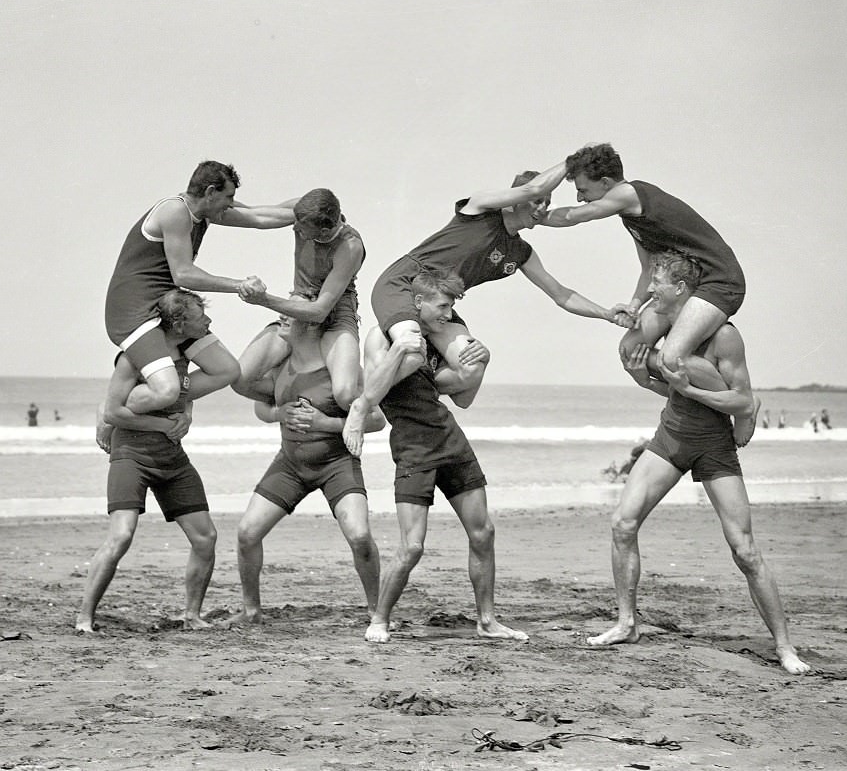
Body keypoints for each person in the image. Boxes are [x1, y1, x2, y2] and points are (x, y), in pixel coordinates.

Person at [587, 251, 809, 675]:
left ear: (682, 289)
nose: (649, 290)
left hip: (714, 445)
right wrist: (643, 378)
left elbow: (741, 399)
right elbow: (670, 389)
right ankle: (626, 622)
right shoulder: (664, 329)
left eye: (657, 283)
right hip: (670, 437)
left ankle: (784, 647)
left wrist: (693, 391)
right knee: (623, 523)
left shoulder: (724, 336)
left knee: (744, 550)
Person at [342, 164, 631, 454]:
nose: (542, 207)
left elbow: (561, 295)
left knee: (470, 368)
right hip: (405, 285)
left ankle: (384, 378)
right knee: (412, 350)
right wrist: (574, 160)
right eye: (537, 201)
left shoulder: (520, 253)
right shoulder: (478, 209)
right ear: (516, 198)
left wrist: (606, 313)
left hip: (441, 305)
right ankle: (362, 407)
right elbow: (534, 187)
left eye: (547, 202)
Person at [544, 143, 758, 446]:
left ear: (606, 183)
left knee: (671, 356)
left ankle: (743, 404)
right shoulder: (631, 217)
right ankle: (702, 400)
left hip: (720, 281)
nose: (580, 197)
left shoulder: (628, 193)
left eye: (583, 189)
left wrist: (532, 216)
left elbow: (575, 216)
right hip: (688, 282)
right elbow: (648, 270)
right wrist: (634, 306)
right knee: (630, 349)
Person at [356, 269, 527, 644]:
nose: (448, 315)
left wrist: (480, 363)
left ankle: (487, 621)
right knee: (413, 546)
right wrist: (406, 354)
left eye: (451, 307)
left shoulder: (433, 342)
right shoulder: (381, 337)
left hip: (451, 441)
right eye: (443, 306)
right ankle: (380, 620)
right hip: (413, 449)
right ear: (418, 302)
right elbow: (372, 388)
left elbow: (461, 395)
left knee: (483, 532)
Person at [77, 289, 239, 633]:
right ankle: (84, 618)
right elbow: (114, 411)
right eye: (200, 317)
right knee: (121, 536)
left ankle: (192, 615)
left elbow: (186, 390)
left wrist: (188, 413)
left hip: (171, 457)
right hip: (132, 454)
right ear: (179, 323)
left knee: (205, 537)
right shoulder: (134, 357)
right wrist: (164, 424)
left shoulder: (183, 354)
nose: (208, 322)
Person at [229, 295, 386, 626]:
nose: (281, 317)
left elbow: (376, 420)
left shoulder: (341, 370)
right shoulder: (280, 366)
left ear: (313, 322)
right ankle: (252, 611)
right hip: (290, 465)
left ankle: (377, 611)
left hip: (336, 465)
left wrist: (325, 424)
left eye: (289, 313)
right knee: (246, 533)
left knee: (359, 537)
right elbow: (253, 395)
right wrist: (278, 412)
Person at [104, 160, 297, 418]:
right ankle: (116, 405)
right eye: (228, 197)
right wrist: (238, 285)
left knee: (227, 370)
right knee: (167, 391)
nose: (231, 204)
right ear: (209, 192)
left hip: (170, 308)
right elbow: (183, 274)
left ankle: (157, 398)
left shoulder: (208, 212)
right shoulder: (175, 211)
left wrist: (315, 209)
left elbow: (259, 216)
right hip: (134, 311)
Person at [233, 188, 365, 411]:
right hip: (298, 301)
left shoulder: (349, 246)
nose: (293, 227)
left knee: (345, 394)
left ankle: (349, 416)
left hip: (336, 312)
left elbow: (320, 310)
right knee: (241, 380)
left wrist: (263, 300)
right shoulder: (302, 210)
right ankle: (292, 403)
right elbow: (254, 215)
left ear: (323, 231)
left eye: (301, 228)